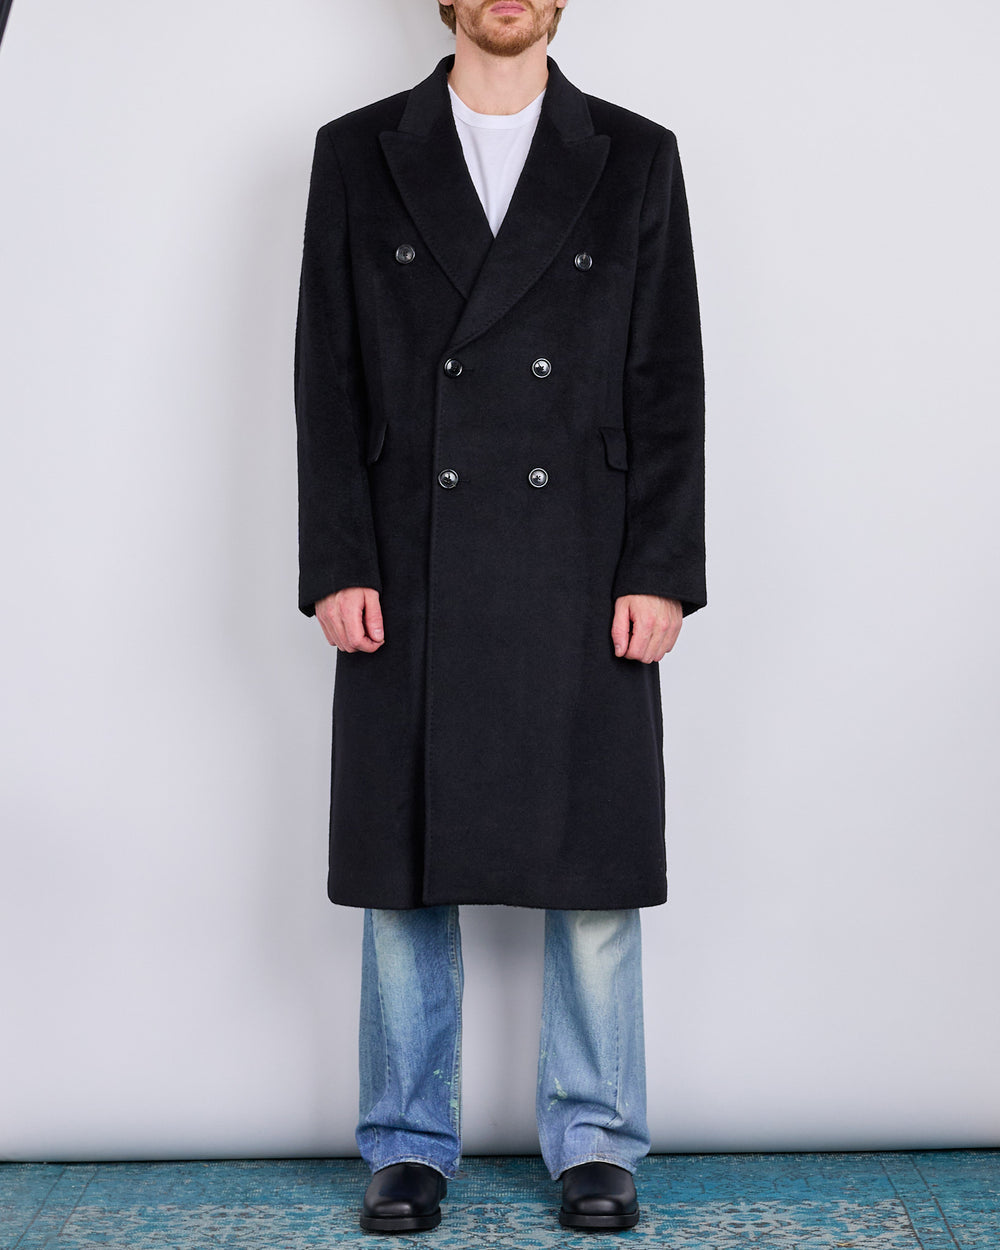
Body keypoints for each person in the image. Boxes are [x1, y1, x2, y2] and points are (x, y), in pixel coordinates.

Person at [293, 0, 705, 1233]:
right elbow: (327, 372)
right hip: (408, 556)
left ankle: (595, 1136)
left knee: (593, 865)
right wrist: (337, 558)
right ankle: (407, 1139)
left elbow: (667, 377)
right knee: (405, 869)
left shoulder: (635, 154)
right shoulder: (356, 150)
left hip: (580, 551)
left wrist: (660, 568)